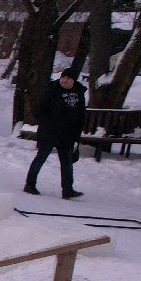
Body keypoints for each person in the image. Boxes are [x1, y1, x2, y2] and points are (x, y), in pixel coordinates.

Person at [24, 67, 87, 199]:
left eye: (68, 78)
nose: (64, 80)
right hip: (50, 131)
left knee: (67, 162)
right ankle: (30, 184)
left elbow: (81, 114)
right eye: (63, 77)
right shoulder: (51, 90)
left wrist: (77, 133)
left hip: (67, 134)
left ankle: (68, 190)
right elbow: (37, 110)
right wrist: (48, 121)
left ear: (73, 81)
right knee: (41, 158)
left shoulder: (78, 92)